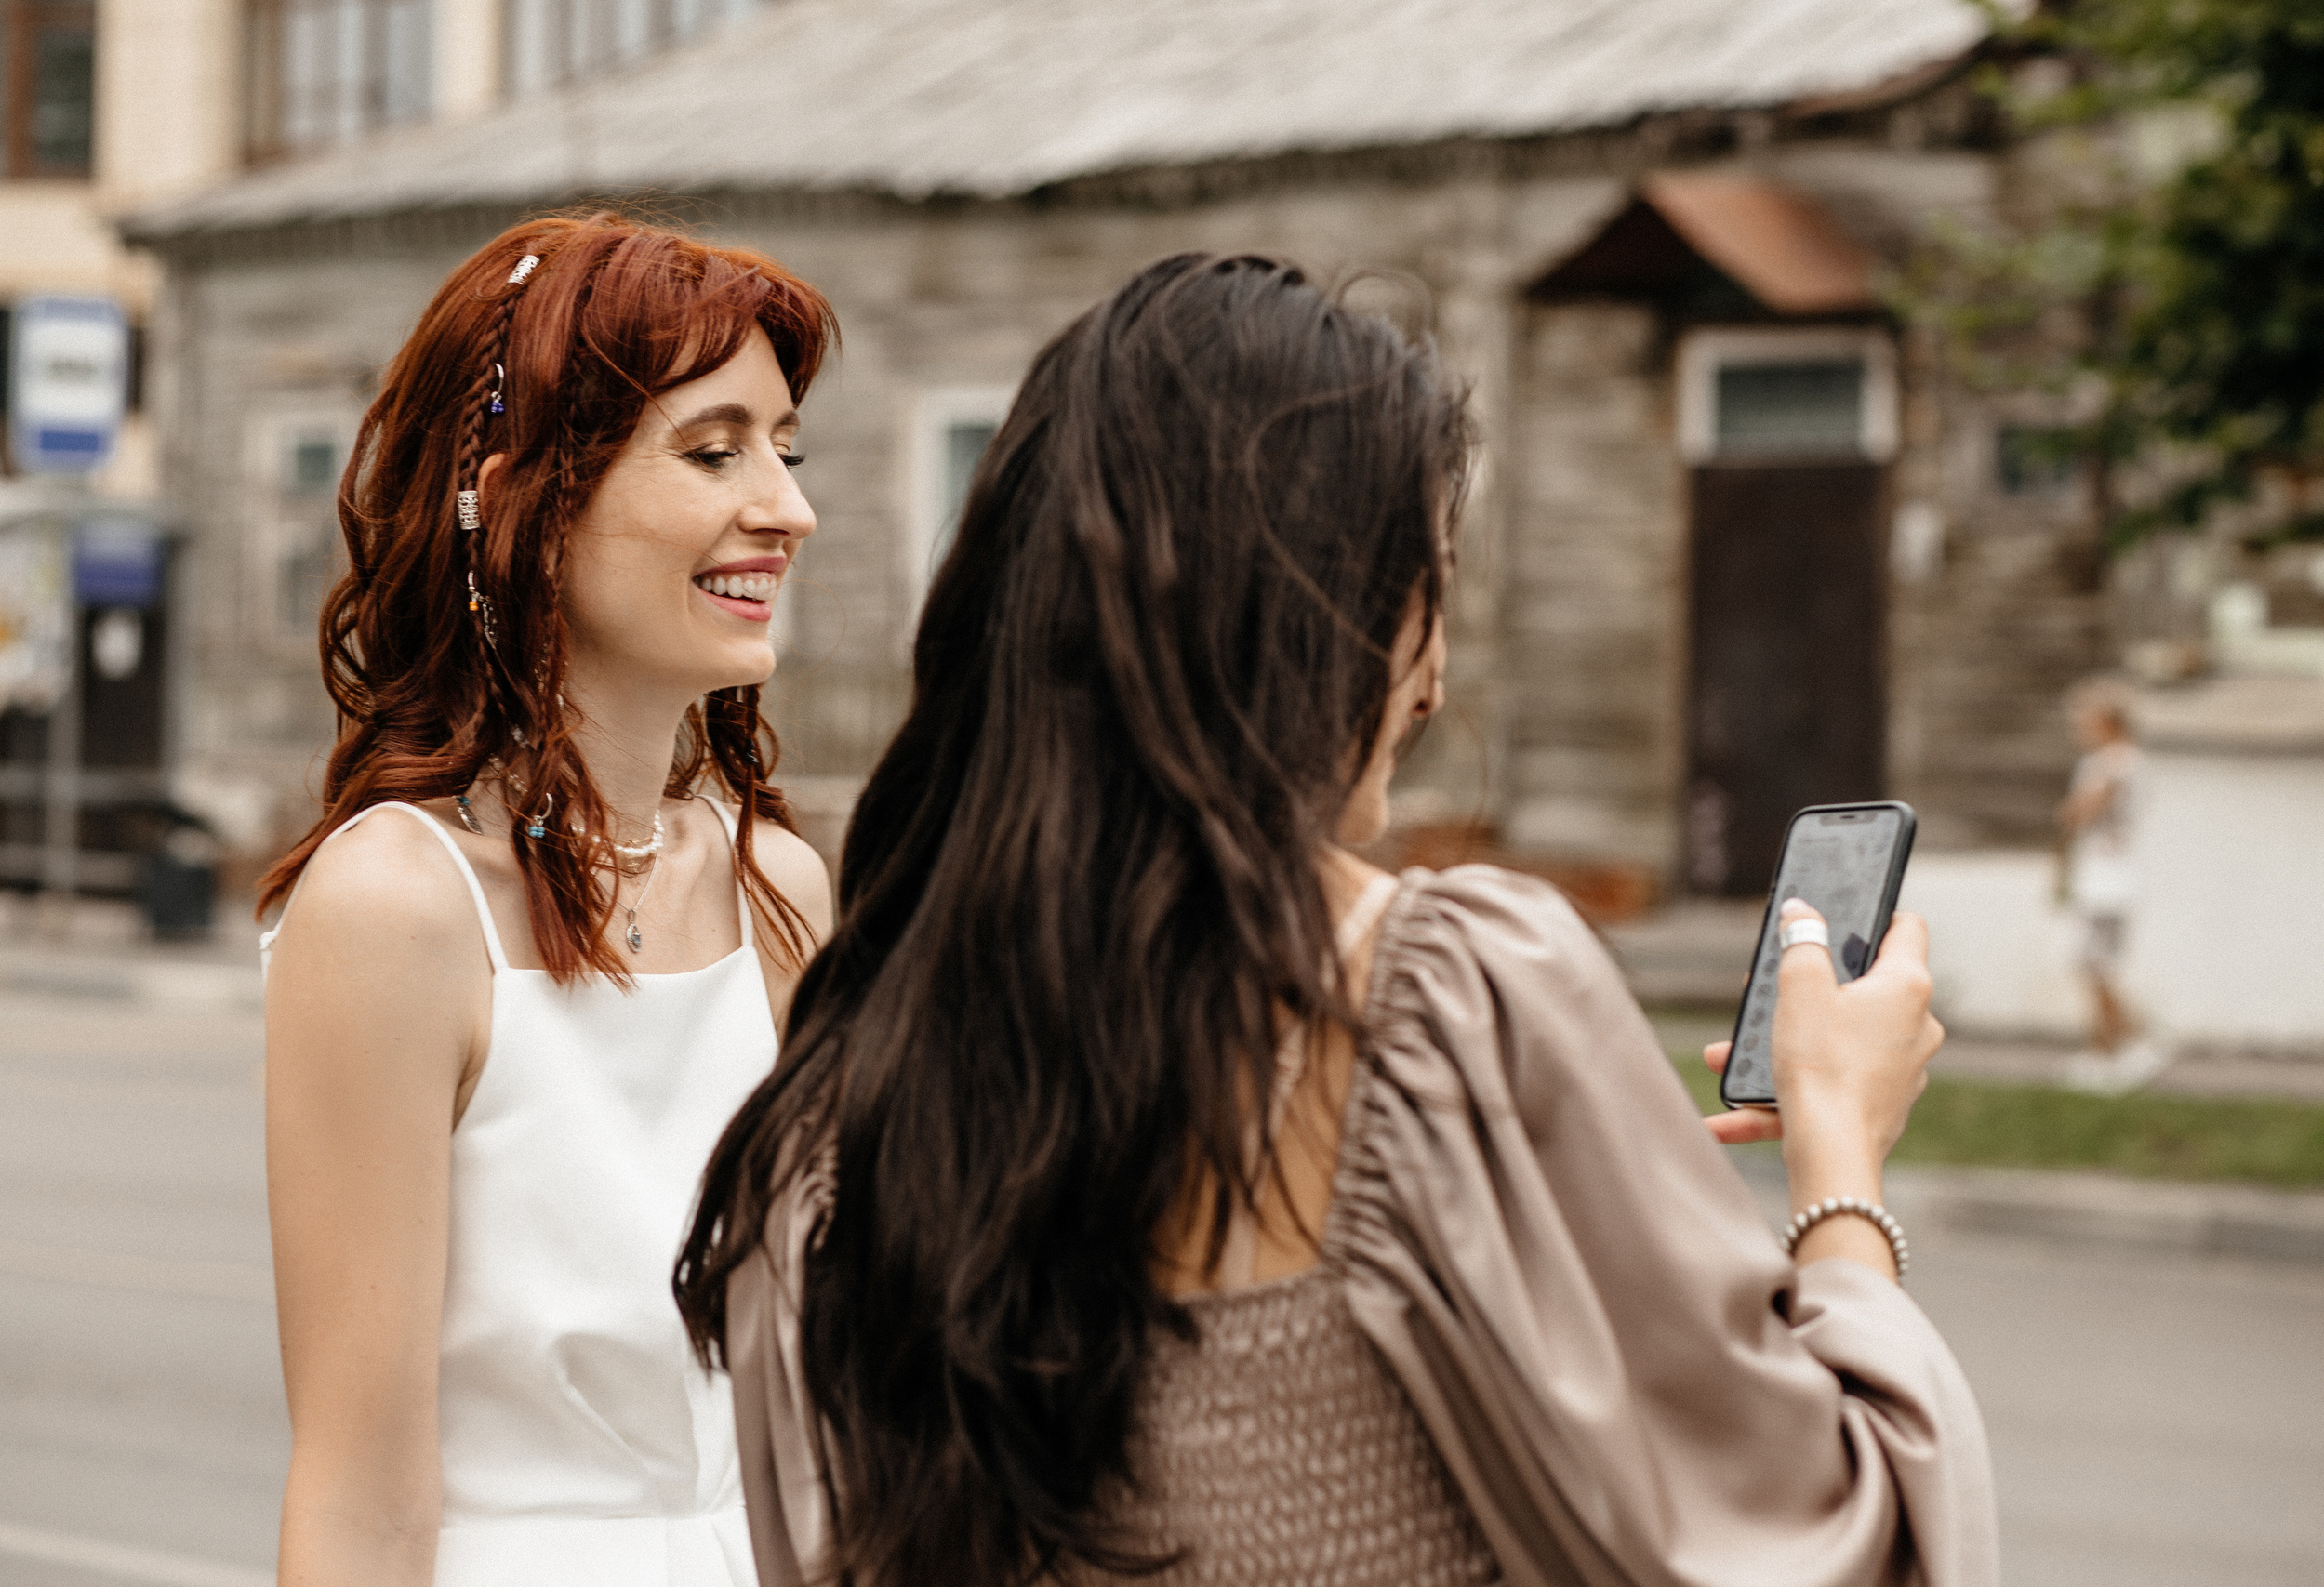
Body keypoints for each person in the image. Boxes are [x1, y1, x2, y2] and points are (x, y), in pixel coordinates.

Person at [674, 255, 1995, 1586]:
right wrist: (1839, 1154)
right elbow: (1830, 1535)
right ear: (1336, 615)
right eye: (1429, 580)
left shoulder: (822, 1135)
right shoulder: (1445, 996)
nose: (1433, 674)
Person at [259, 213, 837, 1587]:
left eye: (785, 448)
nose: (788, 506)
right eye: (715, 450)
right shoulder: (396, 905)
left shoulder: (781, 887)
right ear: (527, 495)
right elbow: (359, 1500)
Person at [2056, 679, 2158, 1092]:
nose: (2078, 728)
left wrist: (2076, 807)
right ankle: (2106, 1048)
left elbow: (2077, 814)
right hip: (2095, 879)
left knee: (2096, 966)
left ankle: (2131, 1044)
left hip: (2109, 883)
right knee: (2093, 967)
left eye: (2084, 720)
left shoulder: (2117, 763)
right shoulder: (2105, 763)